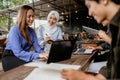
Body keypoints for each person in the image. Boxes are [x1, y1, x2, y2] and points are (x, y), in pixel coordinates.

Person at [61, 0, 120, 79]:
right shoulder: (115, 28)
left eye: (89, 6)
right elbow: (110, 69)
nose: (89, 13)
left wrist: (84, 78)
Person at [2, 5, 48, 71]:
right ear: (23, 16)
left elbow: (38, 48)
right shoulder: (14, 30)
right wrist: (38, 55)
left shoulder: (32, 31)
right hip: (10, 57)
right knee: (31, 66)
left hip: (22, 56)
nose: (32, 19)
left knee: (38, 64)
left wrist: (45, 54)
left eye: (33, 16)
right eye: (29, 16)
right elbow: (18, 52)